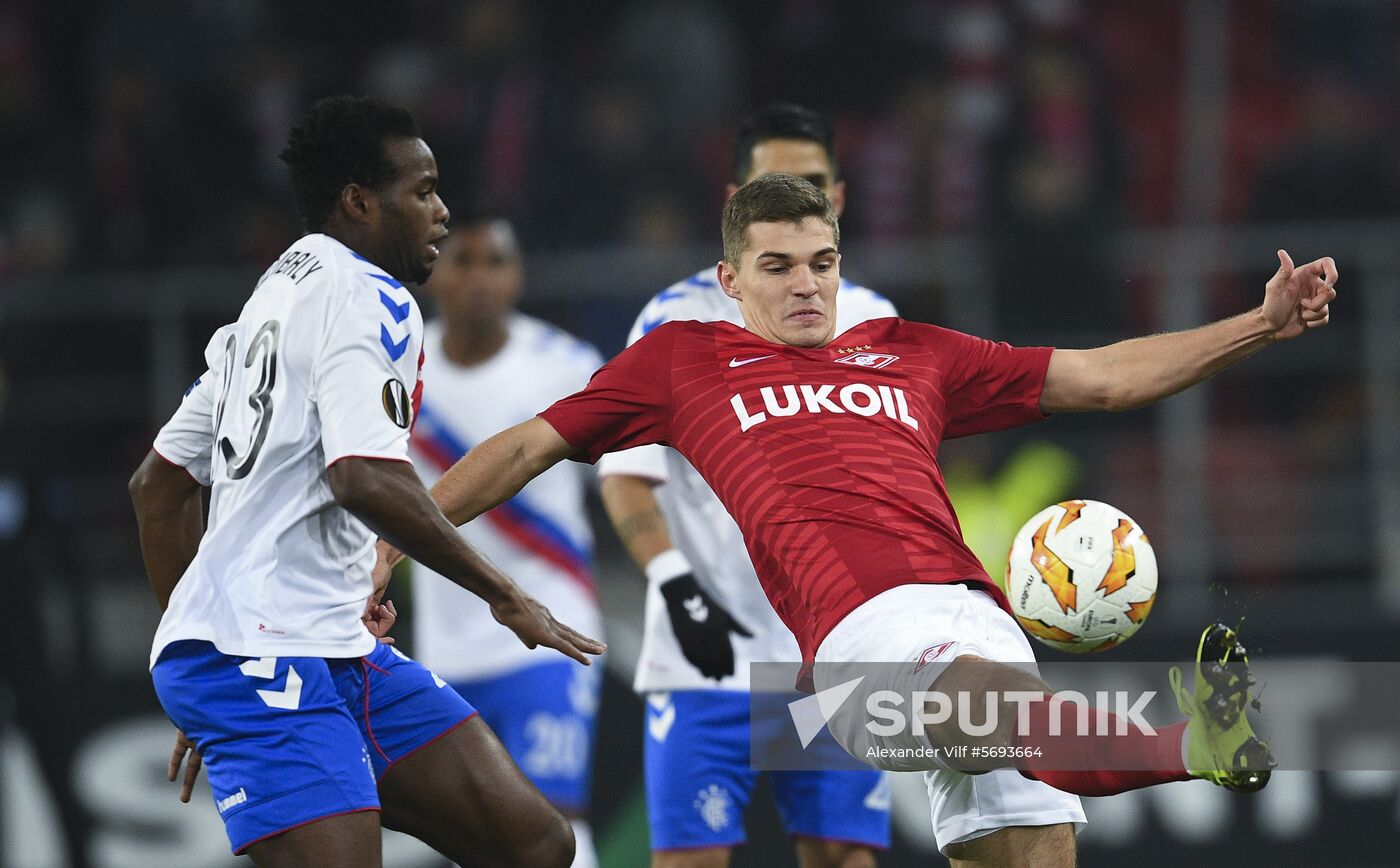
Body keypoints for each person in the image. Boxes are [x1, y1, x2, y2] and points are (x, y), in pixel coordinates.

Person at [392, 173, 1338, 867]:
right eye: (778, 267)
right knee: (991, 714)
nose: (806, 285)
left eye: (822, 263)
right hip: (857, 638)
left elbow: (1101, 375)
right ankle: (1200, 745)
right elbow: (523, 449)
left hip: (979, 612)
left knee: (1035, 850)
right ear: (730, 278)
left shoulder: (908, 351)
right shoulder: (681, 361)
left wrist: (1258, 325)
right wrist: (391, 543)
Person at [127, 95, 604, 868]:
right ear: (359, 202)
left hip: (335, 645)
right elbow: (363, 477)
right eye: (422, 191)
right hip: (264, 658)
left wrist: (199, 632)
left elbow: (157, 486)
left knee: (537, 844)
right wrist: (505, 593)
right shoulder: (368, 295)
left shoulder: (269, 301)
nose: (441, 213)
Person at [595, 103, 893, 868]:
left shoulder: (874, 323)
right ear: (735, 201)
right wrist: (674, 583)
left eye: (814, 186)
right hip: (709, 654)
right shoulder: (671, 324)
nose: (796, 204)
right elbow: (626, 478)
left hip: (835, 654)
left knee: (845, 860)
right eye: (773, 185)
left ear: (841, 199)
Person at [408, 214, 605, 868]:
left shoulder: (568, 367)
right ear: (435, 271)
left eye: (495, 262)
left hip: (548, 631)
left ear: (517, 275)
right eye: (463, 261)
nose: (479, 278)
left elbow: (637, 476)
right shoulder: (399, 367)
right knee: (480, 847)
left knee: (554, 824)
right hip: (445, 649)